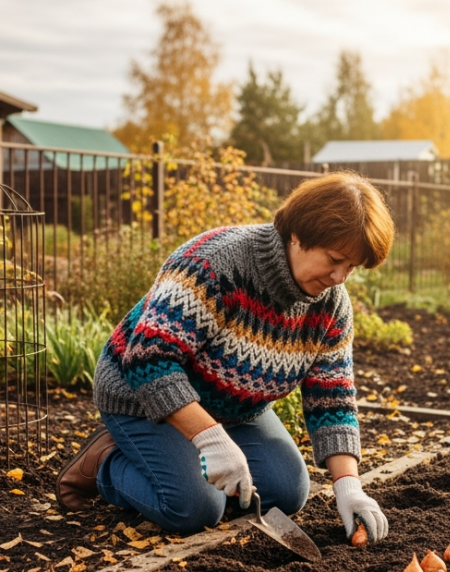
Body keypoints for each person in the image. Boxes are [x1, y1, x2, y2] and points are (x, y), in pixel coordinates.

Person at [56, 171, 393, 544]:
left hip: (234, 408)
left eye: (352, 267)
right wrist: (210, 439)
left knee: (289, 490)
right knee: (195, 509)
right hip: (141, 397)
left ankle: (196, 463)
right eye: (335, 259)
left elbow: (332, 396)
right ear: (298, 234)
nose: (340, 277)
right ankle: (105, 465)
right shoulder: (214, 265)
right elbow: (148, 362)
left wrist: (349, 486)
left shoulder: (331, 306)